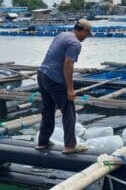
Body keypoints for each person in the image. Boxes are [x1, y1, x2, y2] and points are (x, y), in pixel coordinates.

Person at [35, 19, 92, 154]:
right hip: (54, 79)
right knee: (69, 111)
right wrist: (70, 88)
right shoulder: (75, 43)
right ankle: (70, 145)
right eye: (87, 34)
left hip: (42, 74)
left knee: (48, 110)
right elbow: (68, 64)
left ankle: (42, 142)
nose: (86, 37)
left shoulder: (61, 35)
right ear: (83, 30)